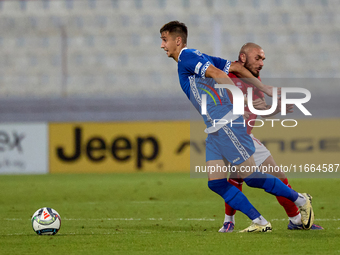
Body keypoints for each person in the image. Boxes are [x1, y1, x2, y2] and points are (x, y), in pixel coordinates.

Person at [160, 21, 314, 232]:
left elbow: (220, 74)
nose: (162, 45)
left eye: (164, 40)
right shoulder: (198, 55)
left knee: (251, 177)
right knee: (215, 182)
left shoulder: (187, 57)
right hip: (214, 128)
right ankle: (259, 221)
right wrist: (265, 88)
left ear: (177, 40)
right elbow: (235, 67)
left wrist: (240, 98)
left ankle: (299, 200)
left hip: (226, 124)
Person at [218, 43, 323, 232]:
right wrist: (245, 104)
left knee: (276, 176)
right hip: (229, 136)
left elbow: (260, 109)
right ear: (243, 58)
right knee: (238, 178)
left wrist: (276, 108)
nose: (262, 63)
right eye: (257, 58)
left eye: (263, 59)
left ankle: (296, 220)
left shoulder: (255, 80)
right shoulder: (228, 76)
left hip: (246, 137)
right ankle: (229, 221)